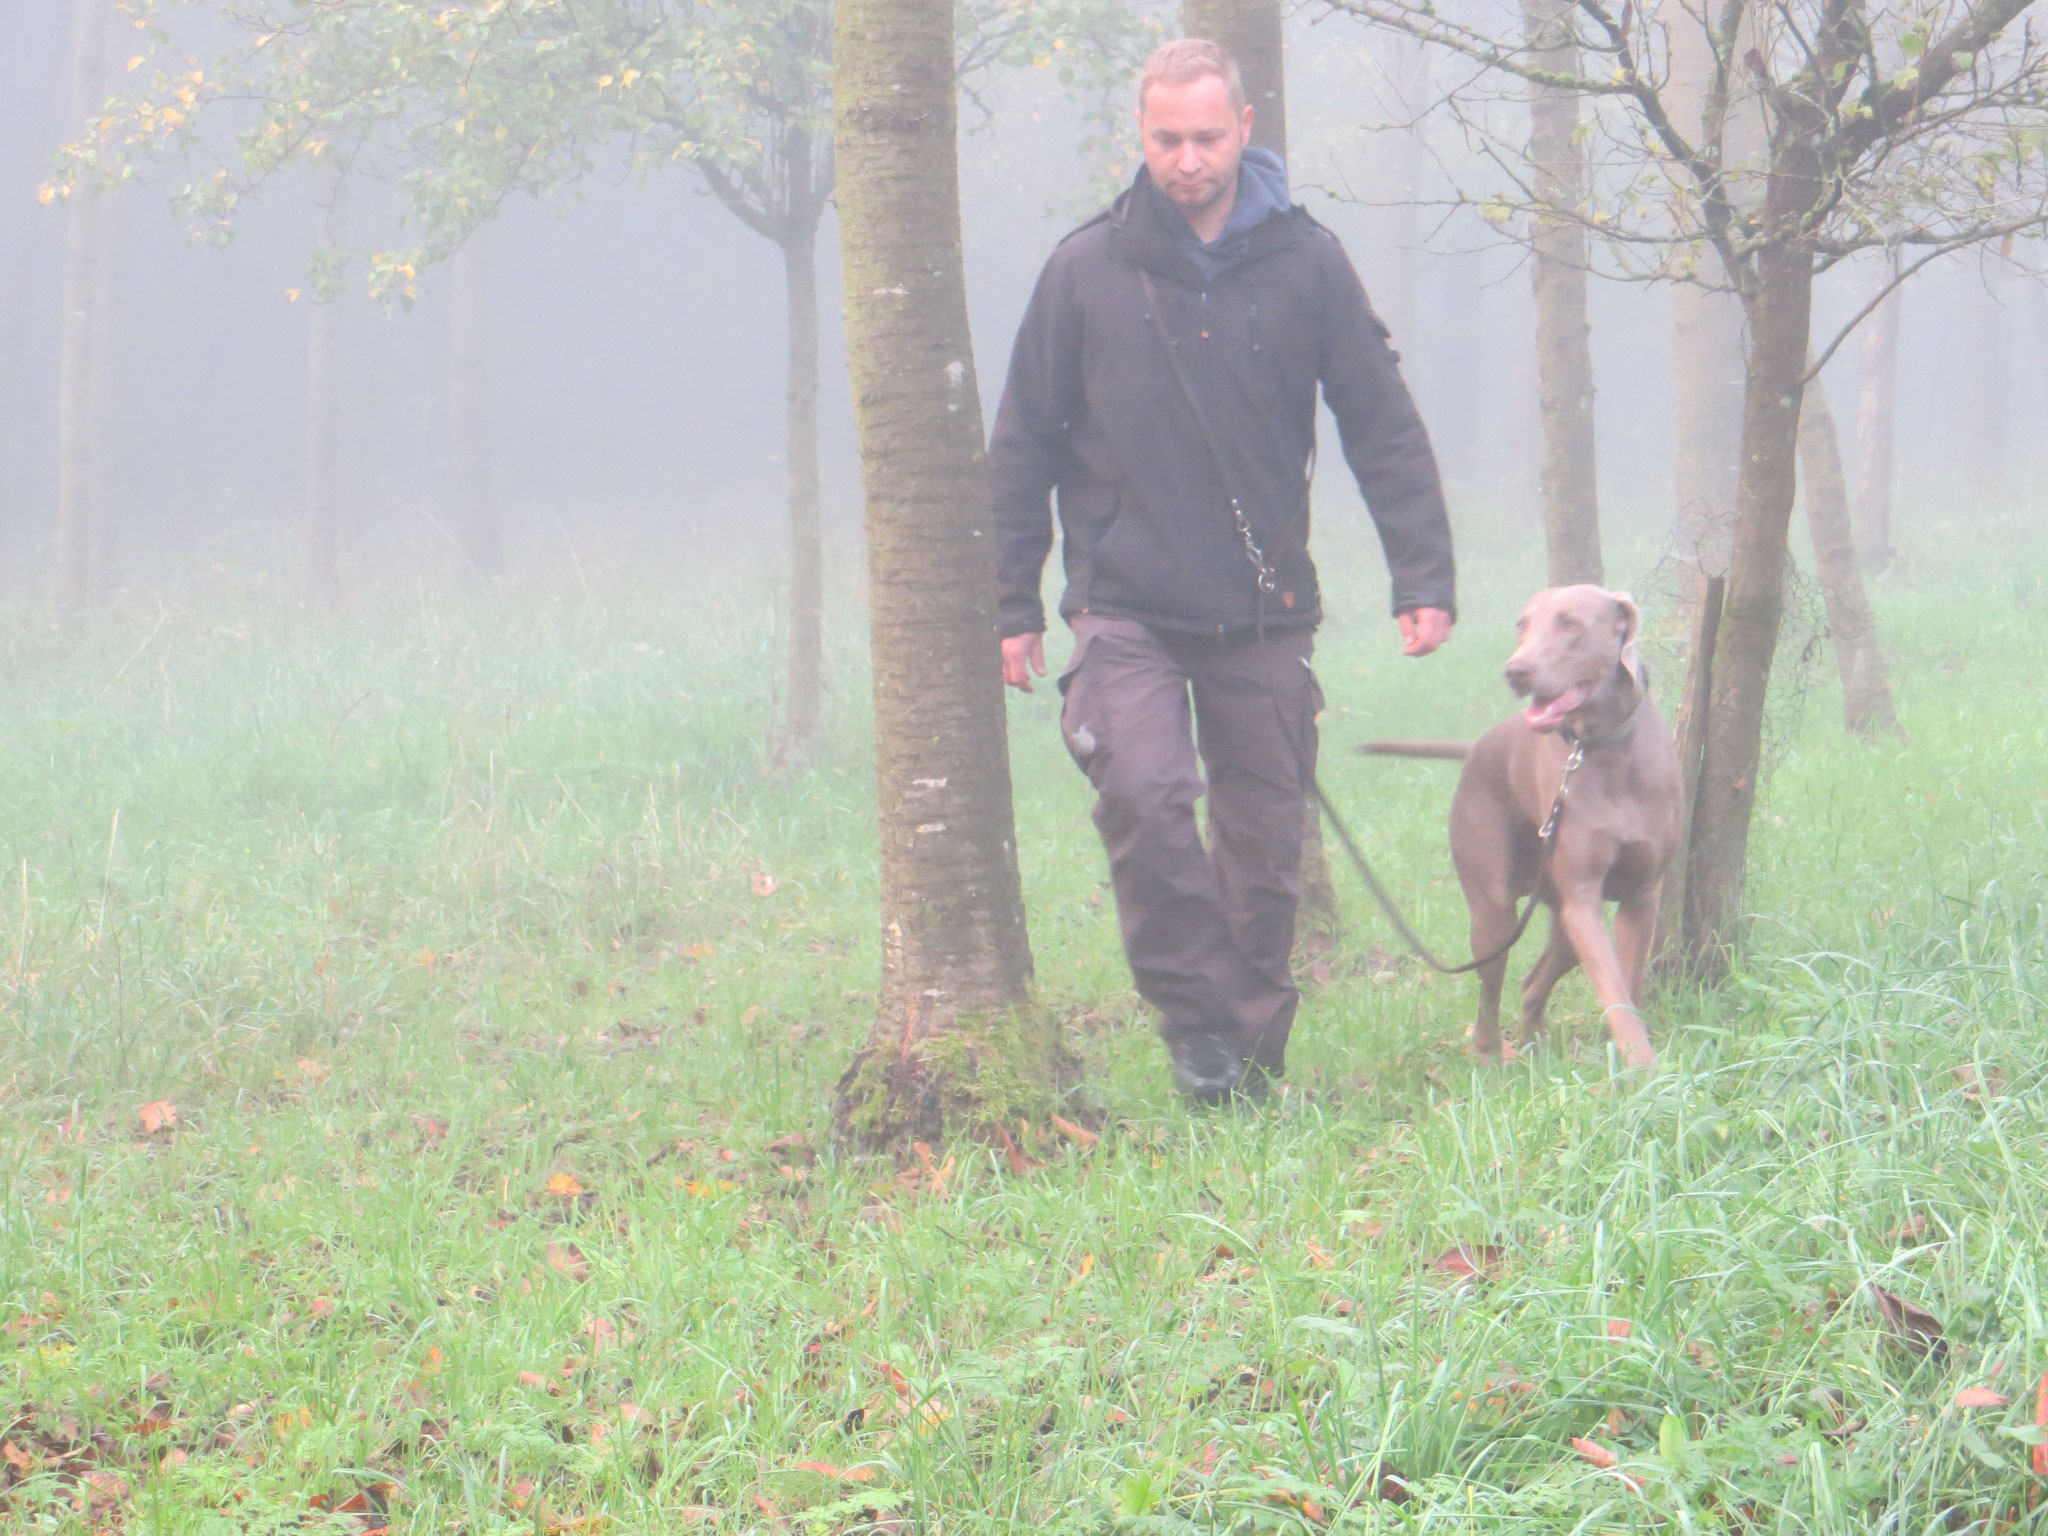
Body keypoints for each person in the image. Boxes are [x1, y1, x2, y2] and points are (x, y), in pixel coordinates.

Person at [989, 38, 1456, 1102]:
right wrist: (1009, 603)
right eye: (1167, 139)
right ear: (1139, 135)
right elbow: (1022, 443)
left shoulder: (1308, 262)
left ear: (1245, 129)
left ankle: (1246, 1064)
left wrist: (1420, 576)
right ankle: (1198, 1031)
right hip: (1122, 601)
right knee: (1147, 799)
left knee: (1261, 847)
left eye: (1206, 137)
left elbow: (1378, 424)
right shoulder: (1083, 269)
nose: (1188, 159)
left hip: (1263, 604)